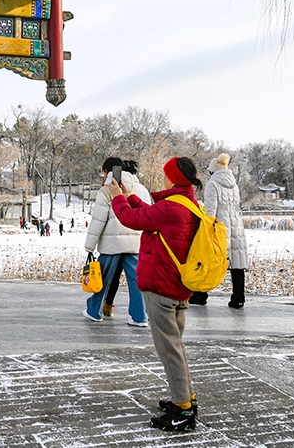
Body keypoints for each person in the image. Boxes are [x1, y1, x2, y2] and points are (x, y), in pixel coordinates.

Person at [109, 156, 202, 432]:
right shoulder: (188, 204)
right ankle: (186, 398)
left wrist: (117, 198)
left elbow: (132, 219)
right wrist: (129, 196)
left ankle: (183, 410)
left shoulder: (172, 207)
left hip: (161, 286)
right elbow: (151, 217)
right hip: (178, 286)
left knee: (168, 349)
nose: (162, 179)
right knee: (176, 346)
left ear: (173, 178)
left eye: (165, 174)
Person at [82, 157, 151, 326]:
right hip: (135, 244)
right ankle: (140, 316)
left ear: (107, 172)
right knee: (136, 280)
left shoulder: (107, 190)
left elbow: (98, 220)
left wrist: (89, 246)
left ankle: (94, 310)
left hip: (111, 245)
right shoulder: (142, 189)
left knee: (103, 278)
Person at [190, 153, 249, 308]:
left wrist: (207, 227)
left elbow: (211, 210)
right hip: (236, 225)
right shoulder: (234, 184)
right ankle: (238, 297)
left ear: (213, 171)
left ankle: (200, 295)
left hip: (220, 226)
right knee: (237, 262)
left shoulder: (212, 183)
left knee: (210, 260)